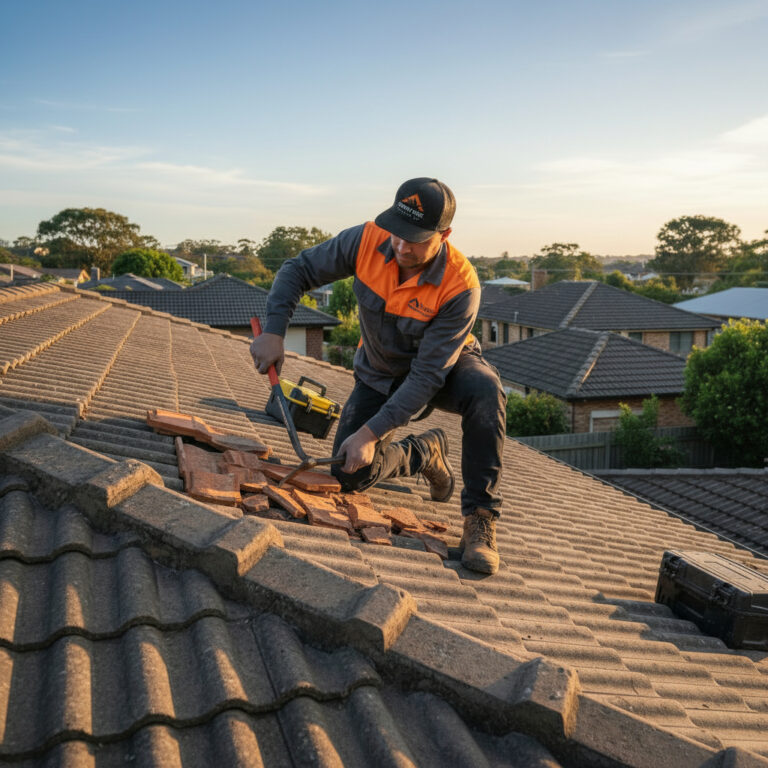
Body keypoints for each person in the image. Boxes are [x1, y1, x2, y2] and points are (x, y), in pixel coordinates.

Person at [250, 177, 506, 574]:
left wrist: (371, 433)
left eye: (417, 239)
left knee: (486, 390)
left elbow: (425, 377)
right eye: (398, 232)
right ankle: (424, 453)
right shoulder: (366, 240)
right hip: (379, 371)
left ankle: (480, 519)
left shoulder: (461, 285)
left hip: (443, 371)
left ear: (445, 234)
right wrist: (274, 330)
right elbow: (297, 269)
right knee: (349, 473)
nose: (402, 246)